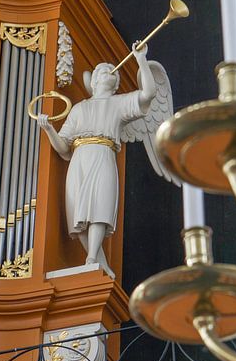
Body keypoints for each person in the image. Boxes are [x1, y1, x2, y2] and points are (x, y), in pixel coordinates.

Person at [38, 42, 156, 279]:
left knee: (100, 206)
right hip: (80, 159)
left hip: (103, 154)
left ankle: (92, 257)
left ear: (115, 85)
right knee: (78, 215)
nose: (107, 71)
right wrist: (49, 129)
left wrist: (141, 60)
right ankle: (99, 262)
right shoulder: (79, 109)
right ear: (93, 82)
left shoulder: (119, 103)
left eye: (111, 71)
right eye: (102, 70)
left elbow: (148, 94)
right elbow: (63, 147)